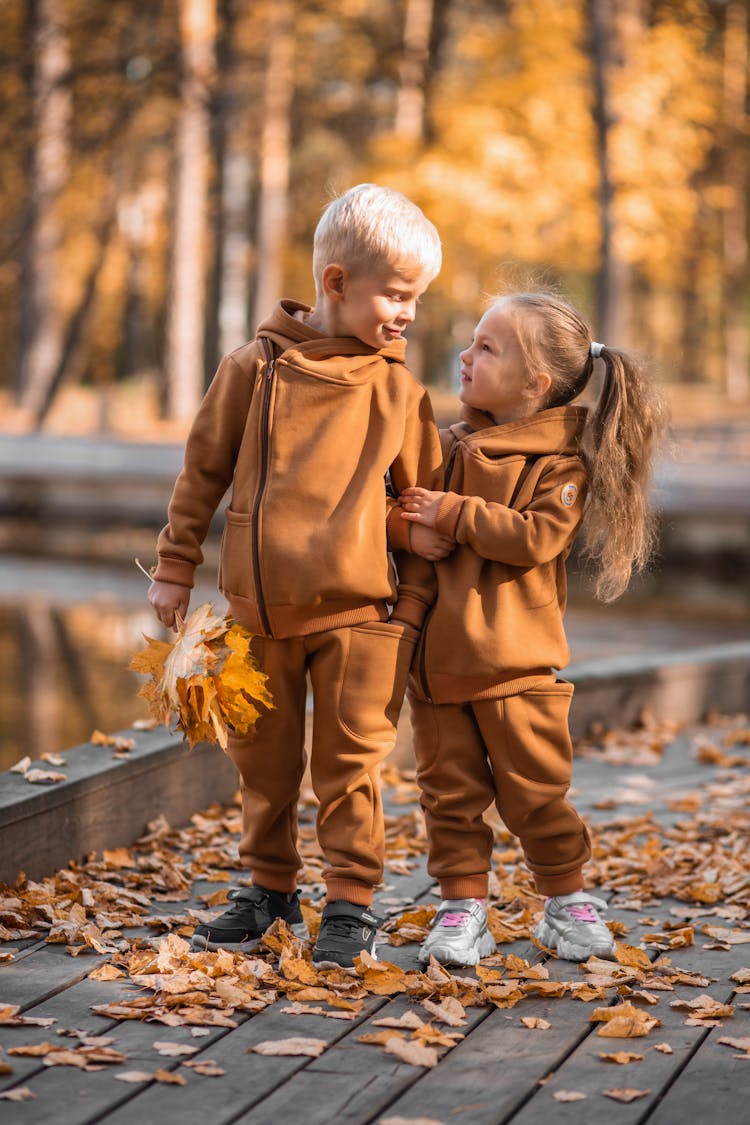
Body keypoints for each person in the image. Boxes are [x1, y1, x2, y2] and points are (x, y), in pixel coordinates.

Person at [148, 183, 448, 968]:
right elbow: (201, 472)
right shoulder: (251, 368)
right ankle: (270, 887)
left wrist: (410, 608)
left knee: (351, 766)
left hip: (360, 616)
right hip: (258, 612)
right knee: (263, 761)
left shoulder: (397, 389)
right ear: (337, 283)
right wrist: (176, 566)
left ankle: (350, 900)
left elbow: (422, 512)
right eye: (396, 292)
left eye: (417, 297)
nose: (408, 312)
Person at [397, 290, 667, 966]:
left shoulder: (560, 466)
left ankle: (565, 903)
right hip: (436, 673)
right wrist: (406, 525)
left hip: (517, 669)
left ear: (533, 384)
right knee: (450, 800)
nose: (466, 354)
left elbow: (533, 538)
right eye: (472, 341)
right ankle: (464, 909)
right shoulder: (444, 446)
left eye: (487, 347)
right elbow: (393, 511)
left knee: (537, 793)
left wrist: (453, 514)